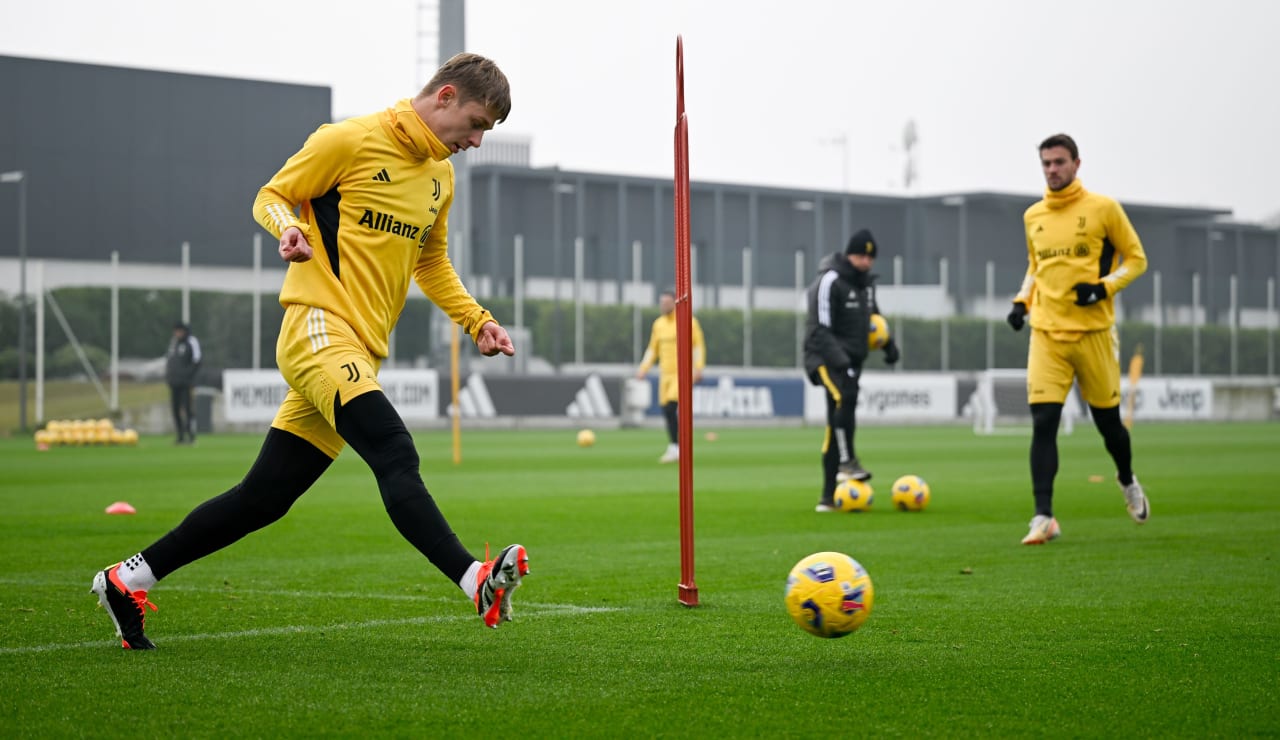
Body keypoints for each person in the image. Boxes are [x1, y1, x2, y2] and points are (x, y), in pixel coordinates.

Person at [89, 53, 529, 649]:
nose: (476, 141)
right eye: (476, 124)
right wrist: (286, 229)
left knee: (263, 498)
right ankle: (475, 580)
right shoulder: (349, 139)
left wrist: (477, 320)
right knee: (395, 451)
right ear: (446, 97)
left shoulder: (439, 179)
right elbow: (271, 195)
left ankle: (125, 579)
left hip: (360, 350)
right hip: (318, 327)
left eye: (486, 133)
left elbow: (431, 262)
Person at [1007, 132, 1150, 545]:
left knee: (1108, 425)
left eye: (1059, 162)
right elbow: (1036, 266)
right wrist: (1022, 302)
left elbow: (1137, 259)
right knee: (1043, 422)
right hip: (1047, 334)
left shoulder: (1103, 209)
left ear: (1076, 164)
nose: (1052, 170)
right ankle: (1043, 516)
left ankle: (1126, 480)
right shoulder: (1033, 216)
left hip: (1094, 335)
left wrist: (1102, 288)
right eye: (1046, 164)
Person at [803, 229, 899, 512]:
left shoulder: (867, 285)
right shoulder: (828, 281)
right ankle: (847, 462)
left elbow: (873, 320)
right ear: (848, 255)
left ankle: (827, 498)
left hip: (851, 362)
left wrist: (889, 345)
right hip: (822, 357)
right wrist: (841, 362)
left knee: (840, 422)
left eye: (870, 257)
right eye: (860, 256)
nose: (866, 262)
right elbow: (819, 329)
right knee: (842, 398)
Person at [635, 289, 705, 463]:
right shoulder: (658, 324)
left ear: (675, 303)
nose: (663, 305)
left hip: (682, 373)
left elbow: (698, 347)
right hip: (665, 373)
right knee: (667, 411)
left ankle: (679, 447)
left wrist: (698, 368)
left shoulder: (689, 321)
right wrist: (644, 367)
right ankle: (675, 447)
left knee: (671, 407)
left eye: (666, 302)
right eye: (662, 302)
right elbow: (653, 349)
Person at [165, 321, 201, 445]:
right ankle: (180, 436)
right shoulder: (173, 343)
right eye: (175, 331)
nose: (177, 333)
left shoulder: (191, 341)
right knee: (175, 409)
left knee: (187, 408)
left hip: (186, 383)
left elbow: (197, 360)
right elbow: (170, 361)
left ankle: (191, 435)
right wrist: (169, 377)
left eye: (179, 331)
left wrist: (188, 376)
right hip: (174, 382)